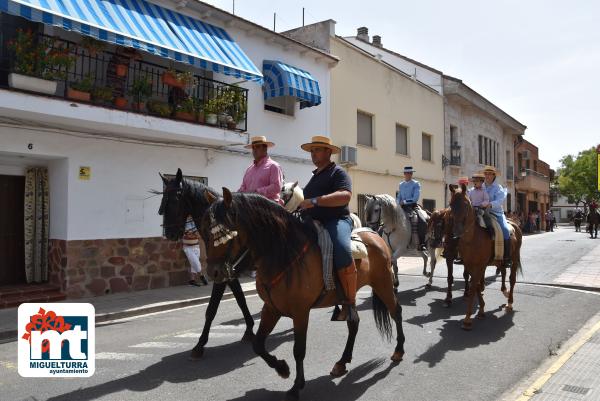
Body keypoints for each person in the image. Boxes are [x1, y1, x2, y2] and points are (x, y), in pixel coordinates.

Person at [297, 135, 357, 323]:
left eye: (317, 150)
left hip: (336, 220)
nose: (313, 154)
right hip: (312, 222)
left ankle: (349, 302)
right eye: (312, 150)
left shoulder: (338, 173)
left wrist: (314, 201)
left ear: (329, 152)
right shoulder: (314, 177)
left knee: (341, 248)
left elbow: (345, 196)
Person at [238, 136, 284, 205]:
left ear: (265, 148)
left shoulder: (273, 166)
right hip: (250, 206)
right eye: (253, 148)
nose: (254, 150)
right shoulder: (249, 169)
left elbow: (276, 187)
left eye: (258, 147)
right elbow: (243, 187)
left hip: (268, 207)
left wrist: (257, 193)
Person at [482, 165, 513, 268]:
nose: (487, 176)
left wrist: (490, 204)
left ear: (493, 175)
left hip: (496, 213)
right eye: (486, 174)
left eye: (489, 174)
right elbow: (471, 192)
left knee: (505, 230)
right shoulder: (480, 186)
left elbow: (500, 201)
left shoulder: (498, 187)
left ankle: (507, 257)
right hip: (481, 212)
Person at [396, 166, 427, 250]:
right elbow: (399, 196)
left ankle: (422, 243)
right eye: (406, 173)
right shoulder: (401, 185)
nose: (408, 174)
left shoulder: (416, 184)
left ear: (412, 174)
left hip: (412, 206)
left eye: (409, 173)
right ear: (404, 174)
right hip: (401, 207)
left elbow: (415, 198)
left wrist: (405, 201)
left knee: (422, 221)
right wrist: (398, 202)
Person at [182, 215, 208, 286]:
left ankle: (192, 280)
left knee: (193, 264)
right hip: (188, 247)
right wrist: (194, 234)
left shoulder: (195, 223)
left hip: (196, 246)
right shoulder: (184, 223)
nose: (190, 216)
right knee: (195, 262)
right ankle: (201, 276)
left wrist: (193, 234)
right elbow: (188, 234)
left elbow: (198, 235)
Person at [468, 172, 494, 239]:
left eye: (477, 181)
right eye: (474, 181)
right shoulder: (471, 191)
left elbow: (486, 200)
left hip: (481, 209)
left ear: (482, 182)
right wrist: (470, 204)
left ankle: (490, 231)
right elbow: (468, 199)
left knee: (487, 217)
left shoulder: (483, 191)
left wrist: (482, 205)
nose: (475, 183)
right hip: (472, 208)